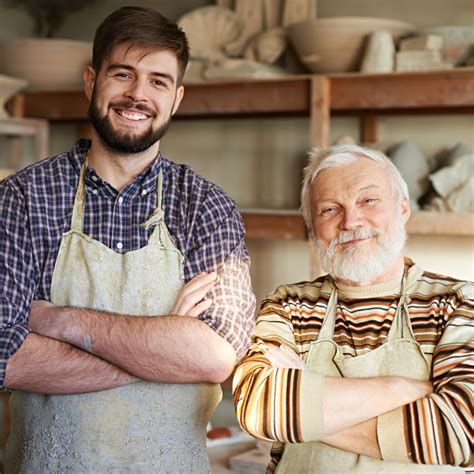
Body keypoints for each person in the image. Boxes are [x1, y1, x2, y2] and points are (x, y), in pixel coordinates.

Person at [0, 6, 256, 472]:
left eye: (158, 81)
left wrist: (60, 321)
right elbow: (5, 357)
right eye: (124, 74)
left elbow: (218, 355)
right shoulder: (22, 198)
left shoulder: (206, 207)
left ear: (176, 99)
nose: (138, 94)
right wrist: (164, 347)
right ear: (91, 82)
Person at [233, 144, 472, 473]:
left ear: (402, 209)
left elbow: (461, 430)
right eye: (330, 209)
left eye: (368, 201)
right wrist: (403, 389)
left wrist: (307, 408)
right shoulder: (288, 305)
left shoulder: (458, 303)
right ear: (311, 225)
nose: (351, 221)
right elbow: (258, 407)